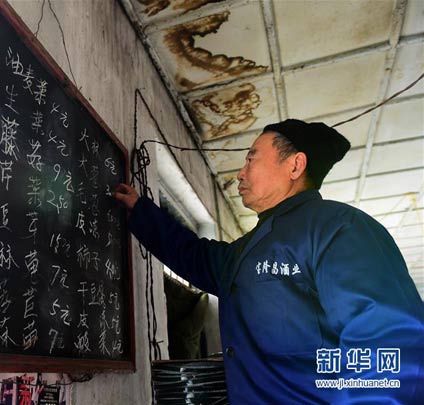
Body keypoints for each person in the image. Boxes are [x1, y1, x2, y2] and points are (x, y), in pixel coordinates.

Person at [113, 119, 424, 404]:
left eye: (251, 158)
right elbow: (193, 256)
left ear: (295, 165)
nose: (240, 172)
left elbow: (390, 347)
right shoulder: (248, 249)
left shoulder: (339, 227)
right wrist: (142, 212)